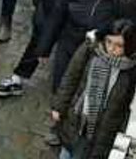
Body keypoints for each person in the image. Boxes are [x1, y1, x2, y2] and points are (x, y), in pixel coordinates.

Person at [50, 19, 136, 159]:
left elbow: (128, 104)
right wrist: (59, 106)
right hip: (78, 116)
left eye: (119, 45)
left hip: (105, 127)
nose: (112, 48)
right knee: (67, 151)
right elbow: (72, 76)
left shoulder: (131, 68)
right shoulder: (91, 49)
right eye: (109, 42)